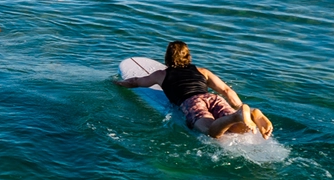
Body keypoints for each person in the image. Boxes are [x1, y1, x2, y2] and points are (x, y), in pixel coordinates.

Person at [116, 41, 274, 139]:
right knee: (237, 131)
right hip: (212, 97)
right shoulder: (202, 71)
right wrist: (239, 105)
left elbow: (137, 82)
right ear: (188, 57)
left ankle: (237, 116)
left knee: (209, 132)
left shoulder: (162, 74)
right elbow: (226, 90)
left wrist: (119, 83)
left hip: (191, 101)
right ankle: (247, 113)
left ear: (167, 58)